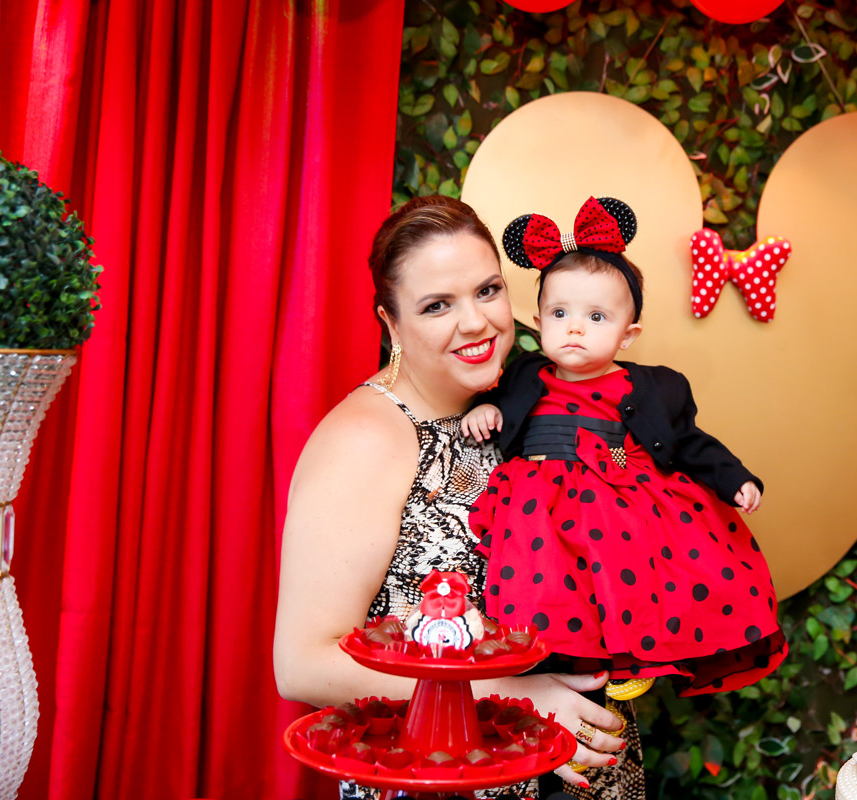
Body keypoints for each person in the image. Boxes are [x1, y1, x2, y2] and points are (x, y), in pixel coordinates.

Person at [273, 196, 640, 798]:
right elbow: (303, 664)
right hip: (443, 778)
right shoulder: (366, 437)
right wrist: (516, 699)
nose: (476, 322)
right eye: (437, 305)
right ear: (391, 322)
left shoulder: (531, 396)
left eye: (488, 290)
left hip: (583, 762)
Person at [464, 197, 788, 702]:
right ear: (538, 321)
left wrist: (735, 479)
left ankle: (629, 657)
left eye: (596, 316)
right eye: (560, 313)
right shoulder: (523, 374)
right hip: (538, 503)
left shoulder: (652, 387)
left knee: (627, 580)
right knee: (544, 585)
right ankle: (548, 670)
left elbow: (689, 441)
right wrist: (484, 409)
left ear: (628, 334)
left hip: (615, 500)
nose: (575, 327)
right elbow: (494, 401)